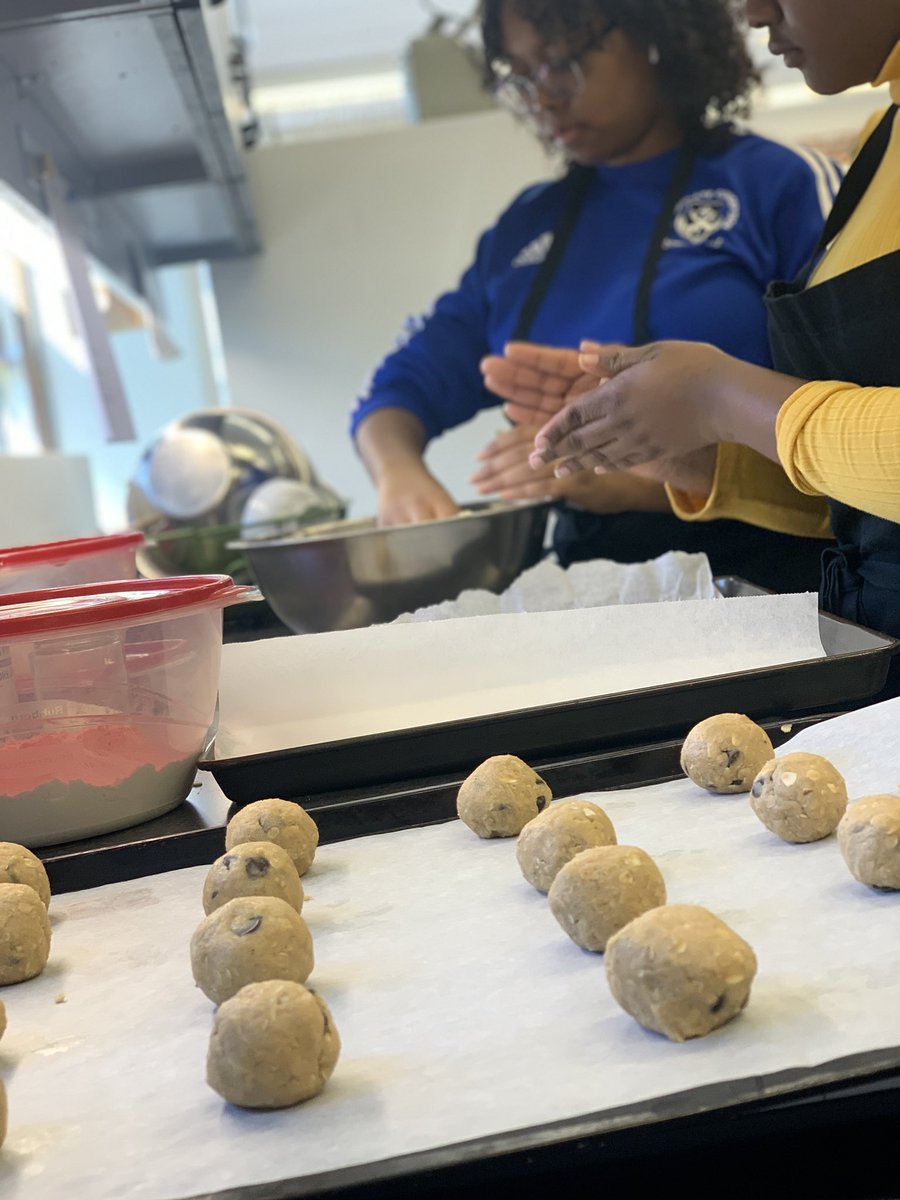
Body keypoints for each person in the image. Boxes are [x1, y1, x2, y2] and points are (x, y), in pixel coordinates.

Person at [351, 0, 843, 591]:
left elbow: (861, 427)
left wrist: (648, 477)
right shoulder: (524, 231)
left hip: (781, 576)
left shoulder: (781, 186)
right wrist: (398, 476)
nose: (542, 97)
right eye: (520, 74)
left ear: (654, 35)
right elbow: (398, 389)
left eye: (562, 63)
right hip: (600, 589)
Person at [480, 3, 900, 680]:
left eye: (564, 61)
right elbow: (862, 500)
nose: (750, 8)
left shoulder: (776, 180)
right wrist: (688, 458)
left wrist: (721, 396)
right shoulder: (884, 139)